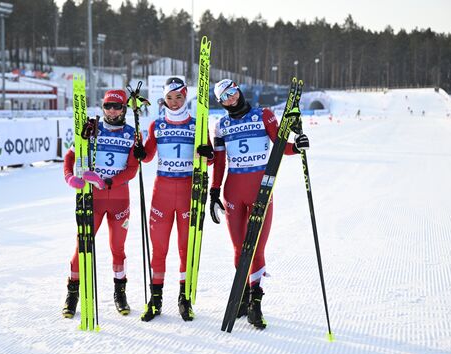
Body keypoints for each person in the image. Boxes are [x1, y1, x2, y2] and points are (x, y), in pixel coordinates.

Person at [209, 79, 309, 329]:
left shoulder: (263, 115)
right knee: (238, 247)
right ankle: (242, 295)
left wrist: (296, 147)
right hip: (233, 191)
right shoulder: (221, 125)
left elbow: (279, 146)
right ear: (220, 103)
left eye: (233, 92)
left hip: (260, 189)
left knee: (257, 247)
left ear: (239, 90)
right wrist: (214, 192)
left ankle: (256, 302)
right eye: (225, 97)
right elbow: (219, 162)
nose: (231, 99)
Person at [133, 77, 214, 322]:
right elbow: (146, 157)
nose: (175, 102)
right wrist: (140, 152)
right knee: (159, 249)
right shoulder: (157, 125)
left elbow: (209, 159)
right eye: (170, 98)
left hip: (188, 192)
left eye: (179, 97)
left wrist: (208, 155)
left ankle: (184, 299)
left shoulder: (197, 124)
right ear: (164, 99)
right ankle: (155, 299)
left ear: (186, 96)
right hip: (163, 193)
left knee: (185, 249)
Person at [62, 89, 139, 318]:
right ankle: (72, 293)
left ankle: (120, 292)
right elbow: (70, 157)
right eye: (108, 106)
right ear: (103, 107)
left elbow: (133, 169)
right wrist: (69, 177)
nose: (112, 111)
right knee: (82, 247)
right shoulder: (91, 129)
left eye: (117, 107)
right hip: (91, 200)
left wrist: (107, 182)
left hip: (118, 199)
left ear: (124, 108)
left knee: (118, 248)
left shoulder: (131, 134)